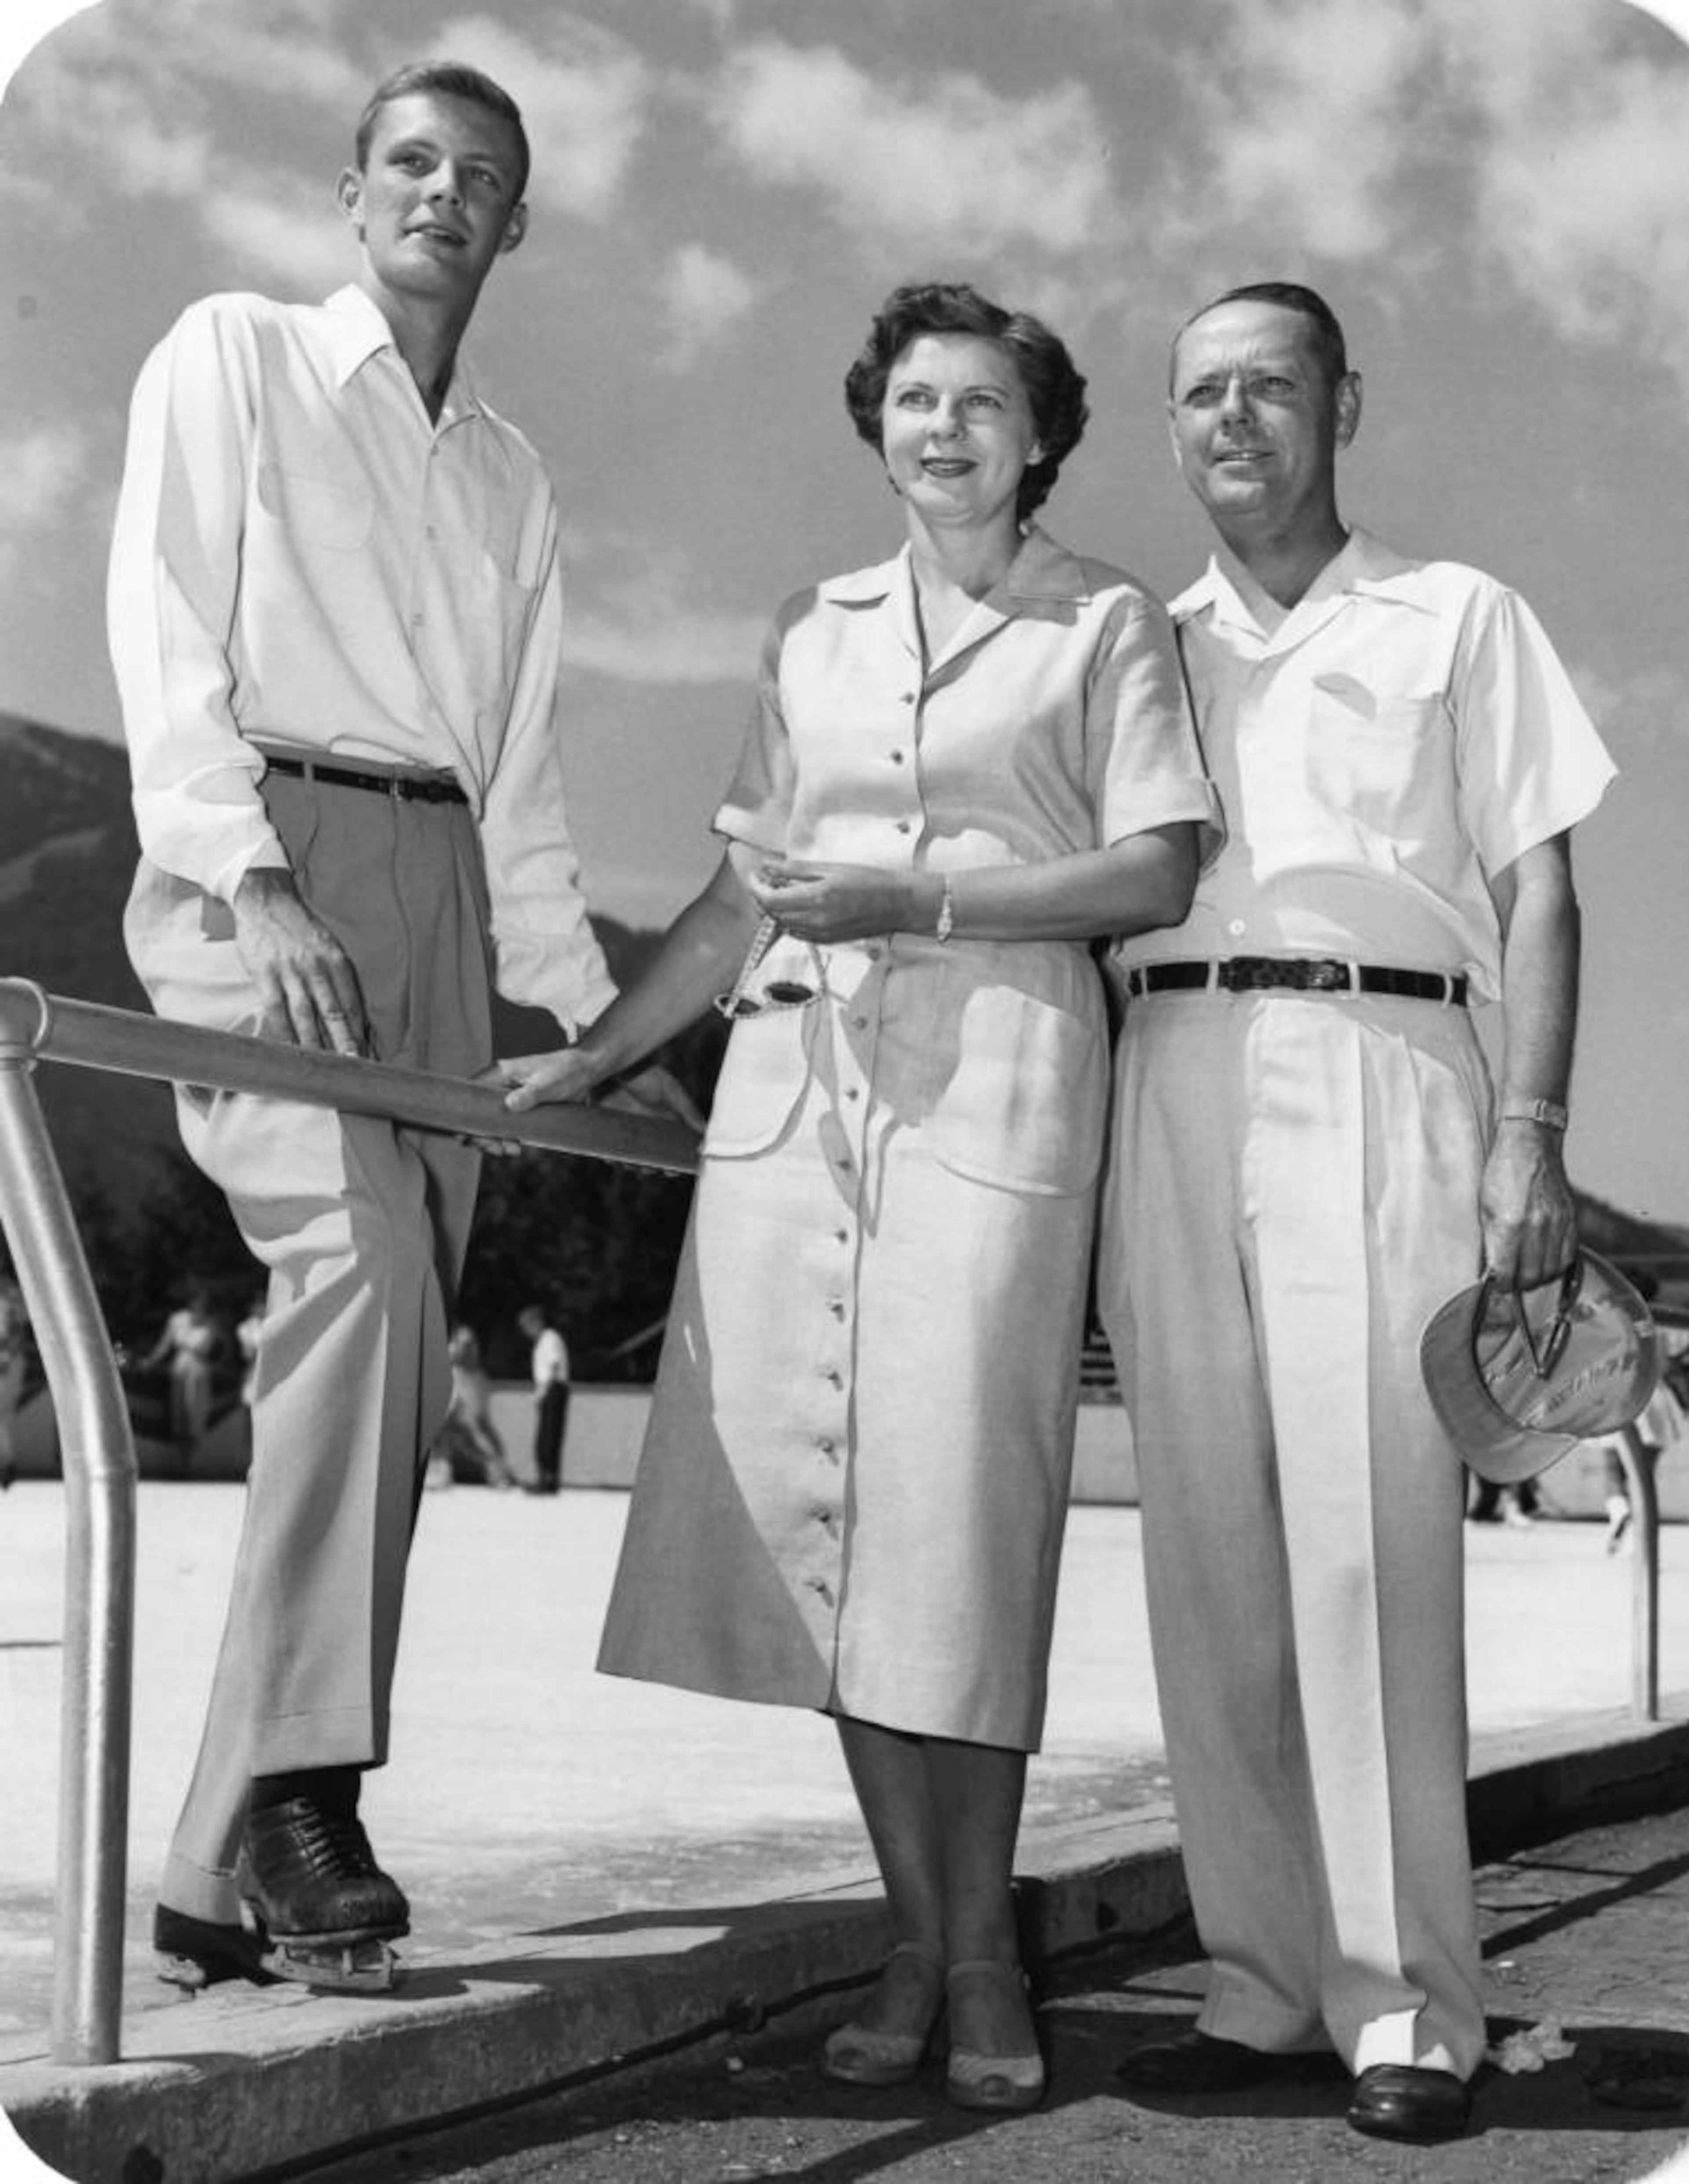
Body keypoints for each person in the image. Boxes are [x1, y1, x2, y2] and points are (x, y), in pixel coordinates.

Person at [498, 280, 1218, 2111]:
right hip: (800, 1096)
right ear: (876, 424)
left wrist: (930, 902)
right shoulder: (812, 632)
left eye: (984, 400)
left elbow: (1155, 861)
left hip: (997, 1079)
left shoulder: (1105, 621)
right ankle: (922, 1932)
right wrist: (593, 1054)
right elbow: (741, 897)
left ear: (1040, 434)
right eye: (913, 398)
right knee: (833, 1532)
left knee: (959, 1538)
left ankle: (984, 1942)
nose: (945, 427)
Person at [106, 60, 669, 1992]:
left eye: (484, 178)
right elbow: (165, 616)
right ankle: (309, 1780)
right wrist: (246, 880)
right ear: (354, 197)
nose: (445, 194)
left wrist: (598, 1016)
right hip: (263, 851)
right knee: (348, 1266)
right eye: (412, 164)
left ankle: (210, 1866)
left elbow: (518, 791)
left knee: (396, 1344)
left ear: (515, 229)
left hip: (435, 898)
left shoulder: (511, 480)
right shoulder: (236, 352)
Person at [1099, 283, 1616, 2143]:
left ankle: (1409, 2007)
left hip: (1385, 1071)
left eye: (1270, 387)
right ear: (1170, 432)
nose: (1233, 421)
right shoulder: (1131, 645)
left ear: (1343, 406)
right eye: (1200, 397)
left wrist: (1531, 1132)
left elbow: (1538, 894)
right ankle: (1259, 1986)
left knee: (1366, 1560)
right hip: (1164, 1082)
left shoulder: (1456, 617)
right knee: (1213, 1563)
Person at [141, 1286, 221, 1471]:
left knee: (195, 1413)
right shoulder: (177, 1320)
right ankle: (180, 1462)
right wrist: (150, 1362)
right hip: (180, 1368)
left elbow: (219, 1349)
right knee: (180, 1413)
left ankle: (192, 1463)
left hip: (199, 1369)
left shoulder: (211, 1323)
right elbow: (165, 1344)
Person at [517, 1304, 570, 1494]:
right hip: (549, 1389)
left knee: (549, 1437)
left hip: (553, 1389)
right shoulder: (544, 1340)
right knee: (545, 1437)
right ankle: (546, 1480)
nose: (525, 1331)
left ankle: (548, 1482)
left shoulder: (550, 1338)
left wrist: (543, 1391)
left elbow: (554, 1367)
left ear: (537, 1322)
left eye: (526, 1326)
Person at [0, 1271, 27, 1492]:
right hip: (7, 1356)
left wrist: (7, 1355)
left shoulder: (10, 1292)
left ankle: (8, 1465)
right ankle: (8, 1465)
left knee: (3, 1412)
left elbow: (19, 1328)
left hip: (8, 1358)